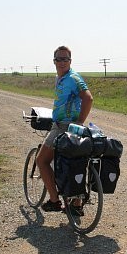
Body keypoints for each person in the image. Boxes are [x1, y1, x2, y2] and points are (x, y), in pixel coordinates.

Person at [37, 45, 93, 214]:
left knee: (42, 161)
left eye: (65, 59)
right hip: (63, 124)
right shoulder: (60, 77)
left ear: (70, 61)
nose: (62, 62)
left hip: (64, 127)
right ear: (54, 61)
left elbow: (88, 98)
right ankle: (76, 205)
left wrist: (79, 122)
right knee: (72, 162)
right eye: (59, 59)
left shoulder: (73, 78)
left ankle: (54, 201)